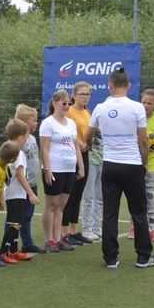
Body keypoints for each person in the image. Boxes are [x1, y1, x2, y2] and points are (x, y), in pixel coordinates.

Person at [85, 67, 154, 269]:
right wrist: (144, 162)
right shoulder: (137, 107)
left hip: (109, 165)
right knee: (139, 212)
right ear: (129, 85)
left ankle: (111, 258)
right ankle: (143, 257)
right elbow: (144, 141)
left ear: (109, 85)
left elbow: (88, 135)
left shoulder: (100, 108)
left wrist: (90, 144)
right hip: (132, 165)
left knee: (110, 213)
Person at [40, 90, 84, 253]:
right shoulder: (48, 123)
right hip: (55, 169)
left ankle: (58, 239)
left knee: (61, 206)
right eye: (63, 103)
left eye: (68, 103)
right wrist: (47, 169)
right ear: (54, 103)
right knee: (51, 205)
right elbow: (44, 149)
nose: (66, 106)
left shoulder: (71, 123)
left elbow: (76, 147)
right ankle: (49, 240)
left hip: (69, 170)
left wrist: (81, 166)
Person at [127, 89, 154, 242]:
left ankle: (152, 229)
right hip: (135, 162)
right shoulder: (135, 117)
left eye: (149, 103)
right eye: (144, 102)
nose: (146, 105)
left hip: (150, 163)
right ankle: (133, 227)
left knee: (149, 197)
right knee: (134, 196)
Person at [0, 119, 38, 262]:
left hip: (12, 192)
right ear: (21, 137)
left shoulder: (7, 148)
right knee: (15, 224)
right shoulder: (19, 153)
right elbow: (20, 175)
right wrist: (31, 194)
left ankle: (14, 250)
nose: (27, 140)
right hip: (16, 193)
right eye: (26, 137)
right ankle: (3, 252)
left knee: (17, 222)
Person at [62, 82, 94, 246]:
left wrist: (89, 143)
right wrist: (79, 143)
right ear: (74, 96)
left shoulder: (87, 113)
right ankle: (64, 232)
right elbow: (66, 132)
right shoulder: (69, 112)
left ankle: (74, 231)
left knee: (78, 195)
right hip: (71, 155)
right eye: (82, 94)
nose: (85, 97)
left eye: (87, 94)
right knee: (70, 195)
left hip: (85, 154)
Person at [14, 104, 46, 255]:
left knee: (27, 215)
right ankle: (9, 246)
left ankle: (27, 243)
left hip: (32, 184)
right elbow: (17, 168)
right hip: (21, 186)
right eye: (33, 120)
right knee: (16, 217)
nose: (36, 123)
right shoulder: (18, 142)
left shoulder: (32, 138)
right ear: (23, 122)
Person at [81, 129, 104, 241]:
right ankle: (86, 229)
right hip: (90, 161)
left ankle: (96, 227)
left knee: (100, 198)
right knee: (88, 197)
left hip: (103, 162)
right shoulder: (91, 123)